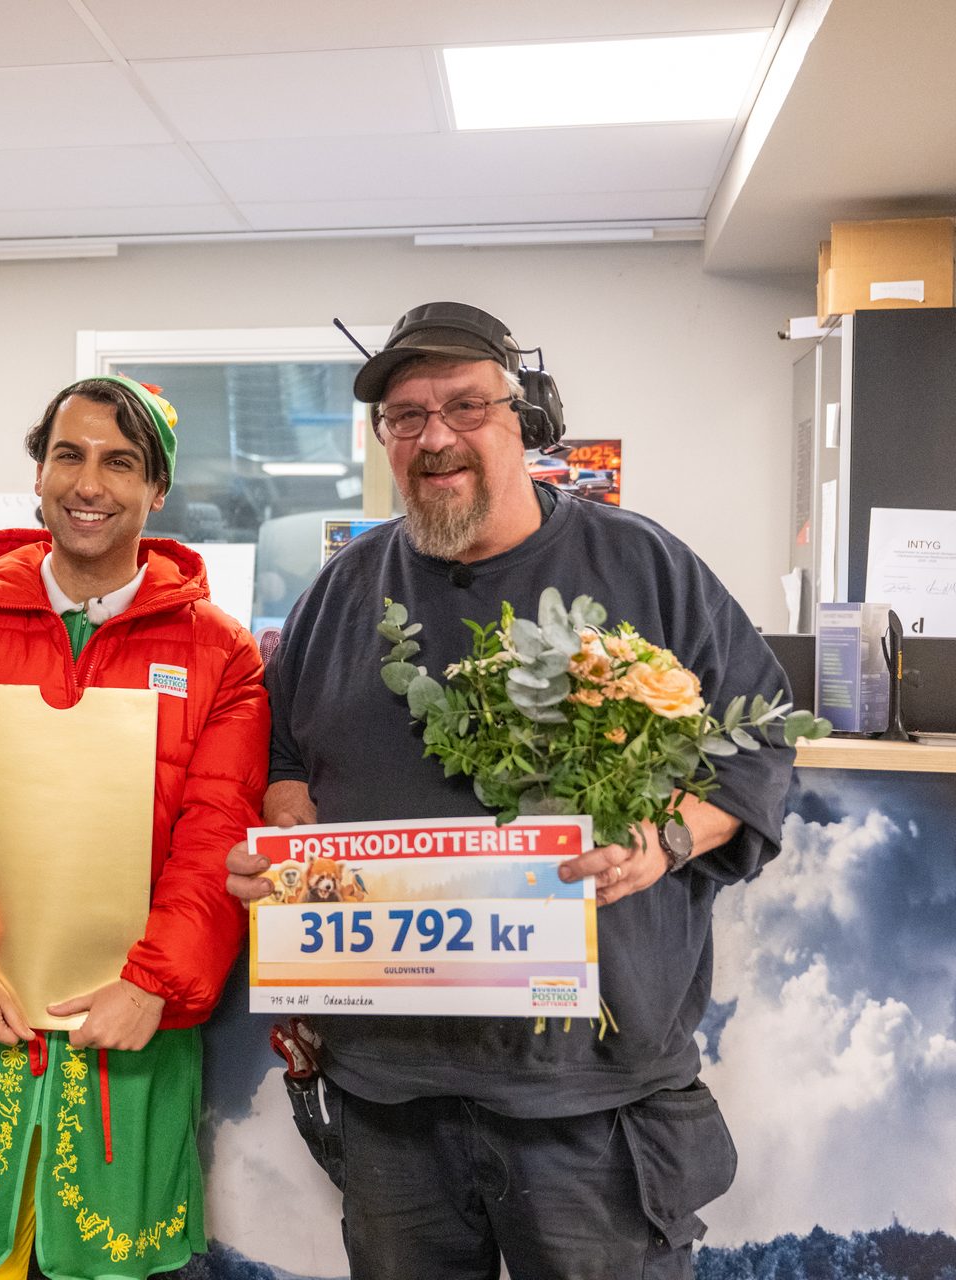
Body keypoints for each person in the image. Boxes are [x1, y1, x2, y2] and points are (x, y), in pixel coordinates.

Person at [225, 302, 798, 1280]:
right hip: (391, 1096)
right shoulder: (343, 590)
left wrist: (660, 840)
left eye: (464, 404)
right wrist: (288, 839)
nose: (434, 435)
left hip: (588, 1104)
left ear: (524, 417)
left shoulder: (643, 566)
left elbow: (759, 747)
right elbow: (279, 751)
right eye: (405, 415)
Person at [0, 376, 267, 1280]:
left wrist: (158, 983)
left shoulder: (218, 651)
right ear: (39, 474)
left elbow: (218, 829)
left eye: (120, 462)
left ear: (156, 490)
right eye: (69, 455)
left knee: (114, 1261)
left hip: (133, 1023)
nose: (90, 482)